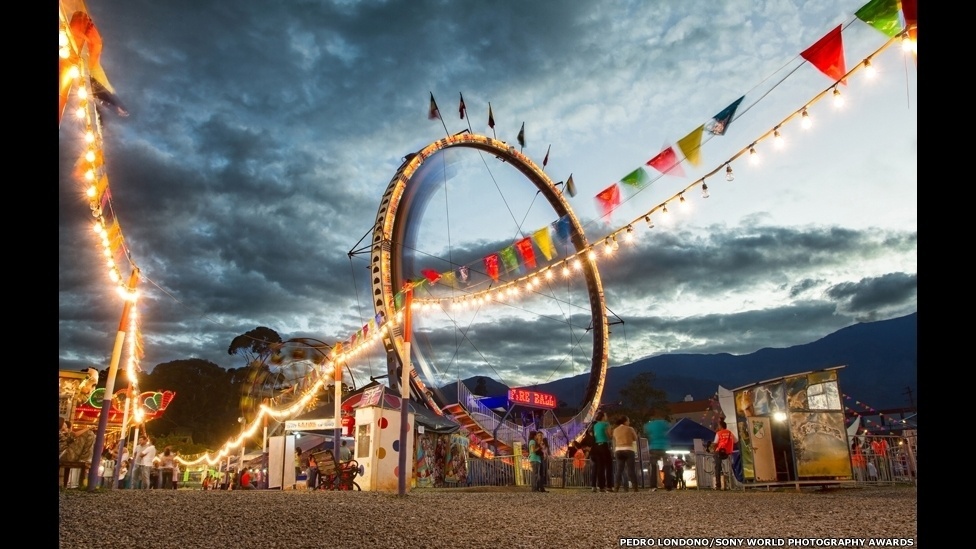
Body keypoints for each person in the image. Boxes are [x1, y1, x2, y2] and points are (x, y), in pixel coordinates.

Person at [611, 416, 639, 492]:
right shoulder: (630, 429)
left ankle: (616, 487)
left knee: (619, 470)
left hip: (618, 450)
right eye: (628, 421)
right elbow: (635, 438)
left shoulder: (615, 430)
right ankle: (635, 487)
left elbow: (614, 440)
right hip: (628, 449)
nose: (629, 423)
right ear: (625, 422)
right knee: (631, 469)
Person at [643, 413, 670, 490]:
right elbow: (669, 429)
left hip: (654, 447)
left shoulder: (649, 425)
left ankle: (653, 486)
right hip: (664, 447)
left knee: (653, 467)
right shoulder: (664, 423)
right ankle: (668, 485)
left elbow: (646, 432)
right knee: (667, 466)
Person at [590, 411, 613, 492]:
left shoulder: (595, 425)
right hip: (604, 445)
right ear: (603, 417)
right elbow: (609, 436)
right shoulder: (606, 424)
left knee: (600, 467)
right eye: (605, 415)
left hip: (596, 447)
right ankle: (609, 486)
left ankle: (601, 486)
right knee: (609, 466)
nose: (606, 417)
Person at [712, 420, 737, 490]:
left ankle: (718, 485)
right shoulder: (730, 433)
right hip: (728, 452)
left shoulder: (719, 433)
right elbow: (736, 441)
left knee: (717, 468)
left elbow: (715, 443)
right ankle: (732, 483)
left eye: (718, 425)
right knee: (729, 466)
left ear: (720, 426)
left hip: (719, 452)